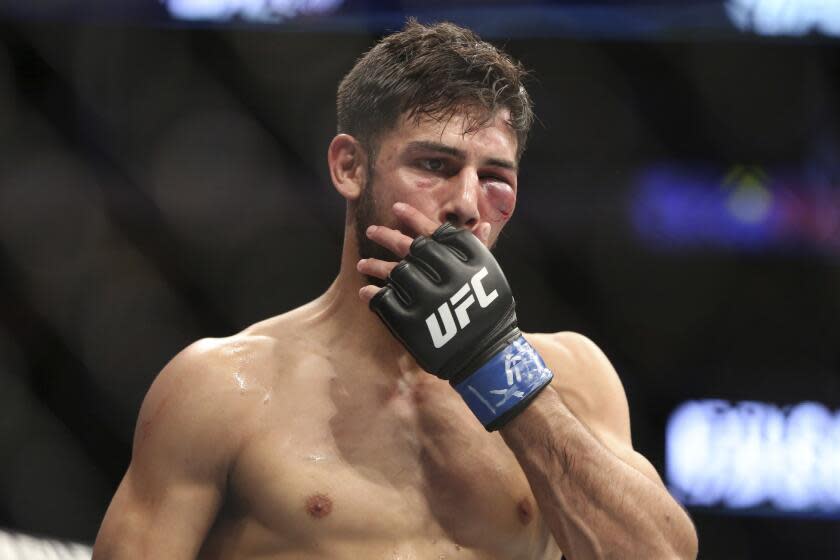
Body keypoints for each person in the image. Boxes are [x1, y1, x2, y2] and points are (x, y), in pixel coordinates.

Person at [93, 20, 698, 559]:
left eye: (494, 176)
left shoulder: (571, 377)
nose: (465, 204)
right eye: (435, 165)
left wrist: (500, 369)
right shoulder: (223, 387)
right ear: (350, 167)